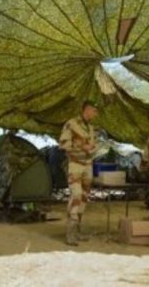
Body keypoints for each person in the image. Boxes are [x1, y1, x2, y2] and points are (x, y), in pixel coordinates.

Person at [59, 100, 99, 246]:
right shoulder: (71, 124)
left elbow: (93, 146)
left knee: (83, 198)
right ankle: (70, 233)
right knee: (75, 196)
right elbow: (63, 145)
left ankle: (77, 231)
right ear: (87, 109)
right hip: (75, 165)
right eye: (94, 111)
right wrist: (83, 148)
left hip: (88, 166)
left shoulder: (91, 128)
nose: (96, 114)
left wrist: (92, 149)